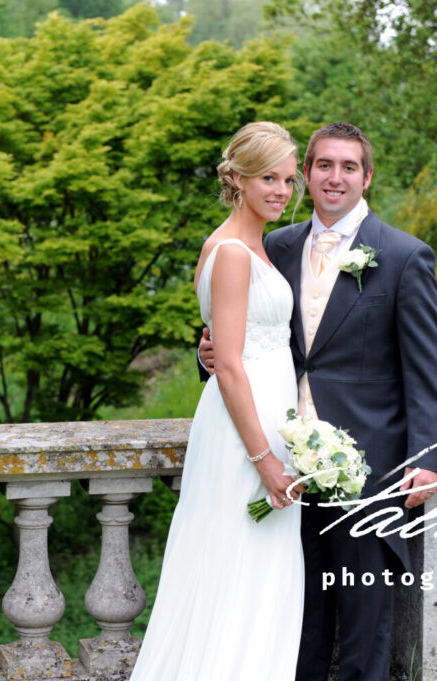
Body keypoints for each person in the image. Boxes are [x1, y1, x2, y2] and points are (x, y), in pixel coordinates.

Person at [199, 121, 437, 681]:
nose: (335, 178)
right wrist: (208, 354)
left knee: (364, 624)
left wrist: (429, 459)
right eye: (323, 166)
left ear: (368, 177)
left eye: (349, 167)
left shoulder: (404, 256)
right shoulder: (274, 246)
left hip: (370, 471)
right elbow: (244, 339)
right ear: (307, 175)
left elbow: (427, 369)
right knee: (294, 620)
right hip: (285, 464)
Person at [129, 122, 307, 681]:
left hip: (266, 424)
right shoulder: (231, 250)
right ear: (238, 180)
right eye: (268, 179)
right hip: (244, 439)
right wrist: (265, 460)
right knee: (236, 569)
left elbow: (227, 343)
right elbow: (227, 364)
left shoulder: (257, 244)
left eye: (287, 179)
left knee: (255, 574)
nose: (281, 190)